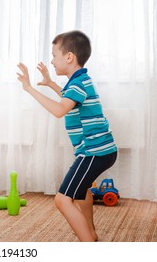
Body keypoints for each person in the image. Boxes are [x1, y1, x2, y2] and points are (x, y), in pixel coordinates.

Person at [16, 30, 117, 241]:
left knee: (62, 200)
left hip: (93, 152)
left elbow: (61, 110)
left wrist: (29, 89)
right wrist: (51, 83)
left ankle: (87, 243)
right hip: (100, 150)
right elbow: (69, 100)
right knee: (82, 192)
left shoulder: (78, 83)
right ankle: (91, 232)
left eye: (54, 55)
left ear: (69, 57)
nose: (51, 61)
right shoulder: (79, 81)